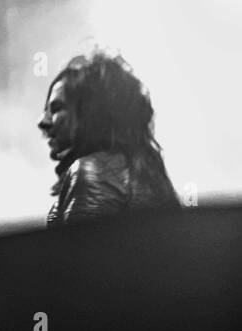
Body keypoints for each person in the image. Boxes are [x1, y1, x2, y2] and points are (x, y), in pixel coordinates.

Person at [38, 49, 181, 226]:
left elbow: (78, 251)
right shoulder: (145, 169)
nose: (43, 121)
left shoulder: (93, 170)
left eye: (57, 108)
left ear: (90, 113)